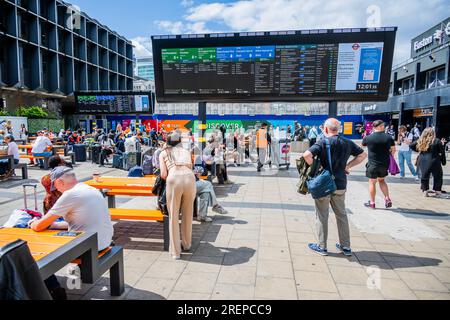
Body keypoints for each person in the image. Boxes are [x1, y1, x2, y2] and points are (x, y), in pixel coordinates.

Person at [30, 167, 114, 300]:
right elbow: (83, 220)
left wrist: (32, 223)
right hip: (104, 240)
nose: (55, 190)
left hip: (90, 247)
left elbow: (39, 226)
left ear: (59, 182)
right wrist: (56, 225)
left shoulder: (70, 195)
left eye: (54, 186)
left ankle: (53, 288)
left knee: (35, 253)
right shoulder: (88, 188)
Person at [302, 118, 367, 256]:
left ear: (325, 129)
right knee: (341, 215)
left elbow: (307, 155)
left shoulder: (323, 142)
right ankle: (346, 246)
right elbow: (362, 155)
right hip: (340, 184)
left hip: (324, 184)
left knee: (322, 215)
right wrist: (348, 166)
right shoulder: (348, 142)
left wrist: (318, 168)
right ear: (339, 129)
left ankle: (322, 246)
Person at [159, 132, 196, 260]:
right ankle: (187, 244)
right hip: (190, 178)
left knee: (174, 215)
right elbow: (191, 167)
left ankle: (176, 252)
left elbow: (163, 174)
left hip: (174, 179)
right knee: (188, 213)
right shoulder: (186, 151)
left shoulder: (163, 153)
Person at [362, 120, 396, 209]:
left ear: (373, 127)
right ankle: (387, 198)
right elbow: (393, 150)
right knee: (382, 181)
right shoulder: (389, 138)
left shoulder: (368, 138)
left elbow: (362, 146)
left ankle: (372, 203)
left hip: (372, 164)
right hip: (384, 164)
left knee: (372, 182)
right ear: (382, 126)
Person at [411, 128, 446, 197]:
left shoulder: (421, 140)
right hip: (434, 161)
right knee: (438, 176)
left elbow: (411, 145)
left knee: (424, 176)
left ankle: (425, 191)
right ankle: (437, 191)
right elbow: (442, 152)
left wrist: (419, 150)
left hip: (423, 160)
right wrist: (443, 161)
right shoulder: (437, 141)